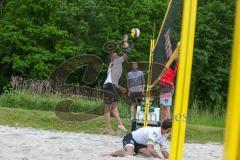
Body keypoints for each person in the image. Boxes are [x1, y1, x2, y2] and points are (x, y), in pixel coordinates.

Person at [101, 119, 172, 159]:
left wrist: (170, 158)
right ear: (169, 129)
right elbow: (150, 148)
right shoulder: (155, 132)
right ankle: (110, 153)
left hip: (140, 144)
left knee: (148, 154)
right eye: (171, 129)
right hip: (131, 137)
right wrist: (160, 158)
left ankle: (134, 153)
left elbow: (163, 151)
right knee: (129, 154)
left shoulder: (163, 136)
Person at [103, 35, 130, 134]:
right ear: (112, 58)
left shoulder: (115, 64)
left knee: (114, 108)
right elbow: (127, 53)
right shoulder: (116, 61)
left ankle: (120, 125)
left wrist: (120, 87)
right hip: (109, 86)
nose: (117, 55)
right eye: (115, 54)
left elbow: (113, 80)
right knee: (107, 109)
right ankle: (108, 128)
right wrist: (125, 41)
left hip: (112, 86)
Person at [158, 58, 178, 124]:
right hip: (163, 88)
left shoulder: (173, 66)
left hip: (168, 88)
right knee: (163, 108)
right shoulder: (166, 65)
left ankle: (168, 126)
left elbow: (173, 55)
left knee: (166, 108)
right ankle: (163, 124)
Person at [127, 62, 145, 131]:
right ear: (132, 66)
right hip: (132, 91)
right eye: (133, 65)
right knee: (132, 104)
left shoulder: (141, 73)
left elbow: (143, 82)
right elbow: (128, 83)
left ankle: (140, 117)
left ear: (137, 66)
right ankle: (132, 117)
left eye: (135, 65)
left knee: (141, 104)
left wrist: (143, 89)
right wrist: (129, 91)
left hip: (140, 91)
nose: (134, 66)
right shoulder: (129, 74)